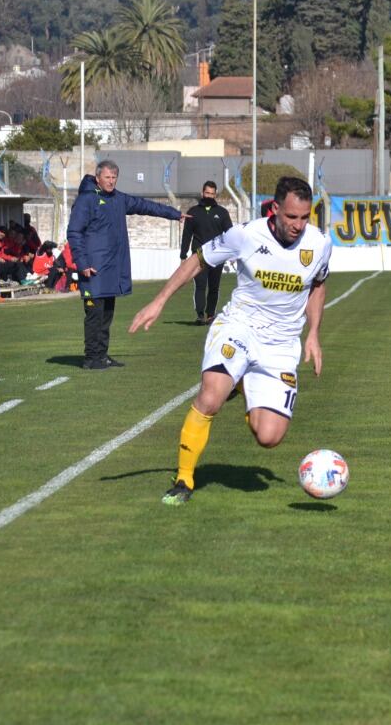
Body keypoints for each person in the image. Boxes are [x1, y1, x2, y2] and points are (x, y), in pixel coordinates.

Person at [129, 177, 333, 506]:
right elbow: (198, 260)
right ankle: (184, 479)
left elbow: (319, 284)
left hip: (280, 344)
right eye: (292, 217)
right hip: (239, 327)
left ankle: (241, 385)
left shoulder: (320, 243)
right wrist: (159, 301)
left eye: (305, 217)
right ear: (276, 208)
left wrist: (314, 334)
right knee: (210, 398)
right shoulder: (245, 235)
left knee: (269, 437)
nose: (298, 225)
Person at [67, 160, 184, 369]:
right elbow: (74, 233)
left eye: (114, 178)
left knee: (106, 315)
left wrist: (174, 214)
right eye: (107, 178)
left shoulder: (118, 199)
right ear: (97, 178)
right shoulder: (86, 200)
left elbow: (145, 206)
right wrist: (82, 263)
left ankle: (101, 355)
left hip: (111, 270)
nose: (111, 182)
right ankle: (91, 358)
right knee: (94, 315)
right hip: (93, 269)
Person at [180, 180, 234, 324]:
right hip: (199, 256)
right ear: (202, 193)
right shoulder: (193, 212)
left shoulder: (222, 213)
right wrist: (183, 255)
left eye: (212, 193)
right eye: (207, 193)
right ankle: (200, 315)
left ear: (215, 194)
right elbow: (187, 235)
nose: (209, 196)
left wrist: (233, 254)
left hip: (218, 255)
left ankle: (210, 315)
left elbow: (230, 234)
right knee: (200, 285)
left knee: (214, 287)